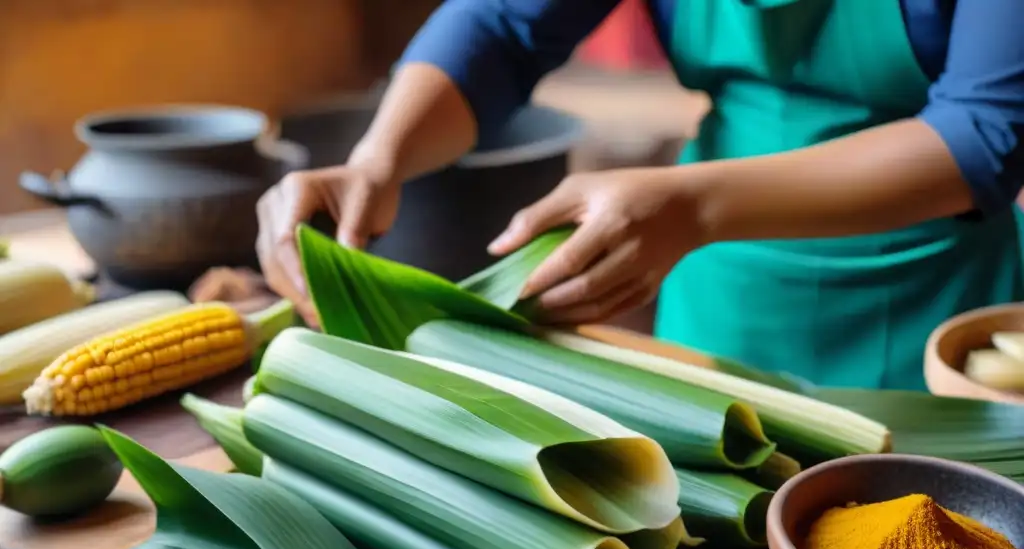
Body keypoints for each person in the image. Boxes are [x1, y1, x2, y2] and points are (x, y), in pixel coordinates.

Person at [256, 0, 1024, 390]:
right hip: (715, 289)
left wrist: (691, 207)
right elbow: (501, 27)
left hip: (936, 309)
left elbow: (985, 130)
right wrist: (377, 160)